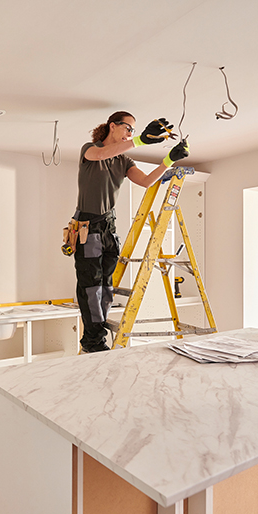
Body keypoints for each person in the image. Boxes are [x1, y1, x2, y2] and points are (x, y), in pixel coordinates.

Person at [74, 111, 189, 353]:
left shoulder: (124, 161)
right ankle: (93, 342)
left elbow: (147, 181)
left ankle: (94, 338)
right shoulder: (91, 150)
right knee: (90, 286)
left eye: (133, 131)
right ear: (112, 126)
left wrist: (169, 159)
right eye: (128, 128)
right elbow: (104, 153)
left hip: (108, 227)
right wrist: (140, 141)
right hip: (89, 226)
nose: (130, 133)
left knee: (106, 287)